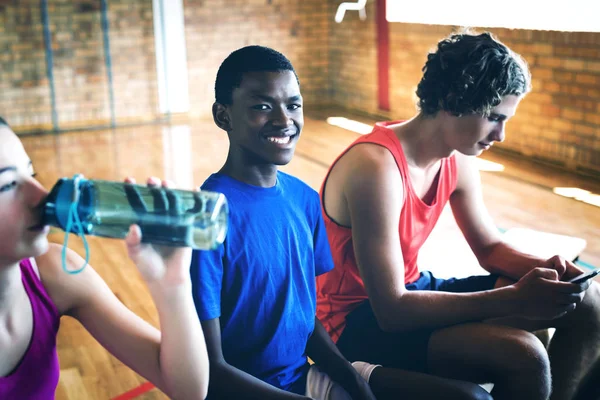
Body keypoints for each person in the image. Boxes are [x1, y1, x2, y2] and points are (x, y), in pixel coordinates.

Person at [190, 45, 490, 400]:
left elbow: (304, 316)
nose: (284, 120)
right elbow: (211, 369)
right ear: (223, 116)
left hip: (303, 376)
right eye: (261, 106)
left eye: (293, 105)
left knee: (472, 398)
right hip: (244, 392)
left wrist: (351, 377)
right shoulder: (204, 216)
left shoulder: (304, 200)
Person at [316, 31, 600, 400]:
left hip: (412, 290)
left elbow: (490, 247)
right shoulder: (375, 168)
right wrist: (515, 297)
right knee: (526, 357)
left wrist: (551, 266)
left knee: (589, 304)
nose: (500, 135)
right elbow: (391, 309)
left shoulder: (457, 157)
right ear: (453, 101)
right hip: (356, 321)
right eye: (494, 118)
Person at [0, 116, 209, 399]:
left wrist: (172, 284)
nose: (41, 195)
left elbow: (188, 390)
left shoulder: (54, 272)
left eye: (31, 174)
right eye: (7, 185)